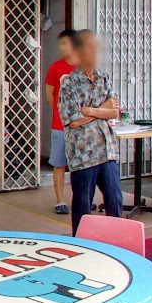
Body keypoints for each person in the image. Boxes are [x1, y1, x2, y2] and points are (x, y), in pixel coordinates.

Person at [56, 29, 125, 226]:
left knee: (115, 200)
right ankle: (81, 244)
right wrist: (102, 110)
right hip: (83, 153)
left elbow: (115, 111)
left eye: (96, 47)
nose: (95, 51)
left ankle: (116, 244)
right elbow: (74, 120)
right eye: (89, 46)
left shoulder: (103, 77)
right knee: (83, 205)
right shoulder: (69, 83)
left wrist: (90, 110)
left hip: (107, 150)